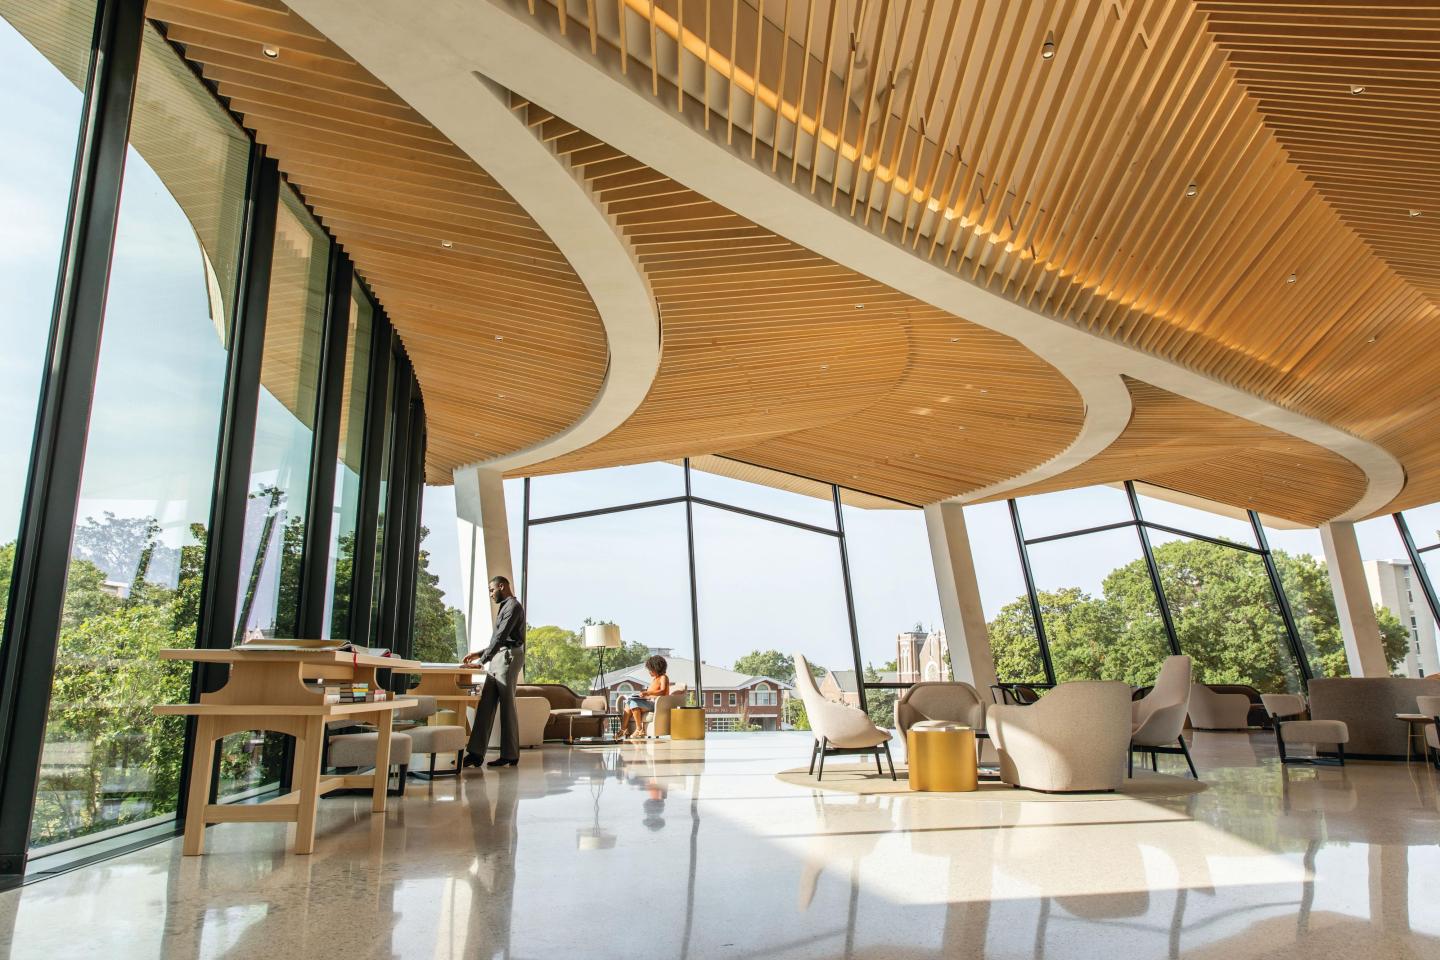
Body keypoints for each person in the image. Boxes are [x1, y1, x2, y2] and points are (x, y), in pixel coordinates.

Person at [462, 575, 526, 768]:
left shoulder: (513, 607)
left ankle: (510, 755)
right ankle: (475, 754)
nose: (491, 594)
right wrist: (479, 654)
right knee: (486, 703)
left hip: (509, 657)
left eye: (492, 590)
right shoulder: (505, 607)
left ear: (502, 586)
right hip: (499, 655)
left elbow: (502, 637)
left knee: (507, 705)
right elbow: (498, 639)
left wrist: (481, 661)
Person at [617, 655, 670, 740]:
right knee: (629, 703)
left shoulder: (663, 677)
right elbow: (651, 694)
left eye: (650, 670)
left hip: (657, 704)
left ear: (656, 668)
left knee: (633, 703)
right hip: (649, 702)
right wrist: (644, 696)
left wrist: (647, 693)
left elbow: (663, 691)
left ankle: (639, 729)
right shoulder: (654, 679)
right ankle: (623, 729)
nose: (649, 672)